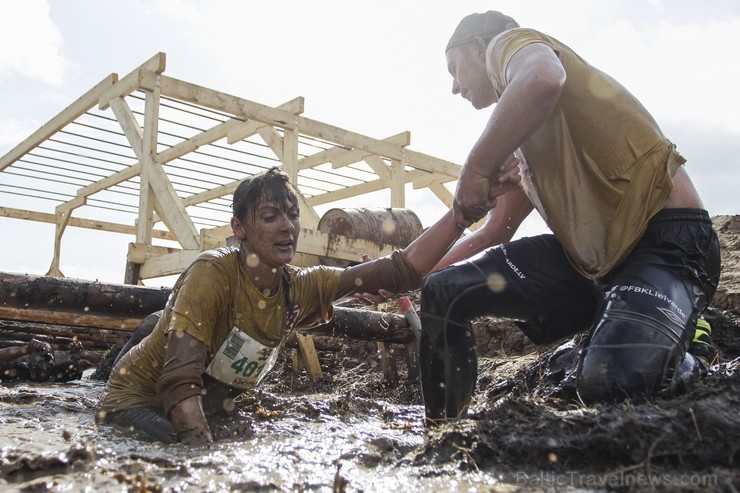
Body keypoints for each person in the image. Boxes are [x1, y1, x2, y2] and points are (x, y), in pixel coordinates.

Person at [419, 11, 721, 423]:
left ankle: (689, 351)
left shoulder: (511, 46)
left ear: (478, 48)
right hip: (593, 268)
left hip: (665, 244)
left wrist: (474, 169)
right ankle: (441, 431)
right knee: (445, 292)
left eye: (454, 69)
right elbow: (494, 232)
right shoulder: (520, 138)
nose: (454, 87)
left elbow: (543, 77)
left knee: (610, 381)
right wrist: (425, 274)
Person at [97, 166, 482, 444]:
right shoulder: (211, 273)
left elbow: (400, 272)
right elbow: (179, 384)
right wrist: (203, 459)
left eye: (293, 215)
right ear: (239, 228)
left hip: (208, 404)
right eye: (270, 217)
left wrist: (461, 215)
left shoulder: (299, 287)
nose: (287, 227)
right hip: (137, 402)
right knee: (186, 455)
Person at [1, 339, 101, 383]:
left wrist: (84, 354)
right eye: (39, 362)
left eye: (47, 361)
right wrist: (25, 350)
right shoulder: (21, 370)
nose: (44, 367)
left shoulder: (60, 371)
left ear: (53, 361)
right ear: (30, 363)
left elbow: (98, 361)